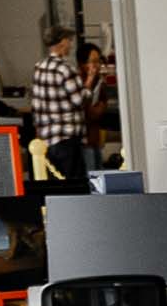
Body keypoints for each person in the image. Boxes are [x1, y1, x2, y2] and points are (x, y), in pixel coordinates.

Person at [27, 30, 107, 190]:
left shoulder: (39, 67)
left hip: (47, 139)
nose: (71, 45)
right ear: (62, 42)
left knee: (55, 186)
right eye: (69, 41)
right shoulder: (65, 69)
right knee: (74, 186)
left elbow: (35, 103)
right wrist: (90, 81)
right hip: (67, 138)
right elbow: (80, 99)